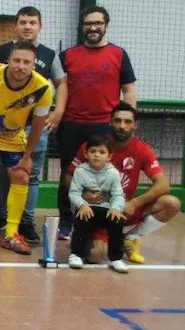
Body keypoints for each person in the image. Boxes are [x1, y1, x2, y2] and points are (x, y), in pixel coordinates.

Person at [53, 6, 137, 240]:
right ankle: (67, 222)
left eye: (97, 23)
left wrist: (128, 122)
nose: (93, 28)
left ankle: (100, 223)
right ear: (82, 27)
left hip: (104, 126)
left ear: (105, 26)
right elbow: (59, 87)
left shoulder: (119, 54)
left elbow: (129, 90)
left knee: (106, 175)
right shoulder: (68, 56)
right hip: (71, 124)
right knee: (68, 175)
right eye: (88, 24)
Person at [66, 102, 180, 264]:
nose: (122, 126)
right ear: (110, 122)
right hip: (96, 211)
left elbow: (163, 184)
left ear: (135, 125)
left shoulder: (142, 149)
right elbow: (69, 175)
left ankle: (130, 238)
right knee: (96, 256)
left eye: (127, 122)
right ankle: (86, 234)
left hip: (123, 209)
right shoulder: (94, 146)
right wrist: (83, 195)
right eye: (118, 121)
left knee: (171, 203)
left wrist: (133, 203)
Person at [0, 7, 63, 243]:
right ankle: (0, 215)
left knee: (30, 174)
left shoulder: (50, 56)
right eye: (23, 22)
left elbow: (61, 83)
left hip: (32, 126)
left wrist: (58, 110)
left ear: (40, 26)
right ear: (15, 25)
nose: (27, 26)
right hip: (1, 127)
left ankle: (27, 221)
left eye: (32, 22)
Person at [0, 41, 52, 255]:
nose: (21, 66)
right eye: (16, 60)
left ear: (34, 65)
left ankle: (11, 233)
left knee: (22, 177)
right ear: (8, 61)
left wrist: (27, 157)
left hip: (15, 137)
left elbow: (37, 128)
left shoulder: (43, 87)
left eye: (27, 62)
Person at [67, 135, 127, 273]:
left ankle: (116, 258)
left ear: (109, 156)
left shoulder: (113, 173)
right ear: (85, 154)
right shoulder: (80, 171)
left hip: (106, 209)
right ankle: (76, 254)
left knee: (117, 220)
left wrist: (115, 208)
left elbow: (118, 195)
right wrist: (82, 205)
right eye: (92, 151)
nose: (96, 155)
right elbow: (74, 193)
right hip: (87, 208)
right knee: (83, 218)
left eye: (101, 152)